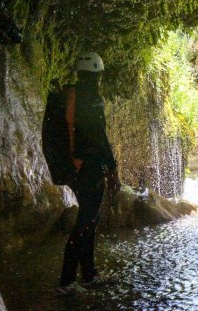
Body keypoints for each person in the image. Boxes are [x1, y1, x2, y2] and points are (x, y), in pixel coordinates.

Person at [56, 52, 121, 296]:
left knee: (89, 220)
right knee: (86, 222)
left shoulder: (70, 94)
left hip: (74, 166)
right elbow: (100, 136)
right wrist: (112, 167)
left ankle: (89, 274)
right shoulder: (92, 98)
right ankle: (67, 280)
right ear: (98, 74)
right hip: (90, 167)